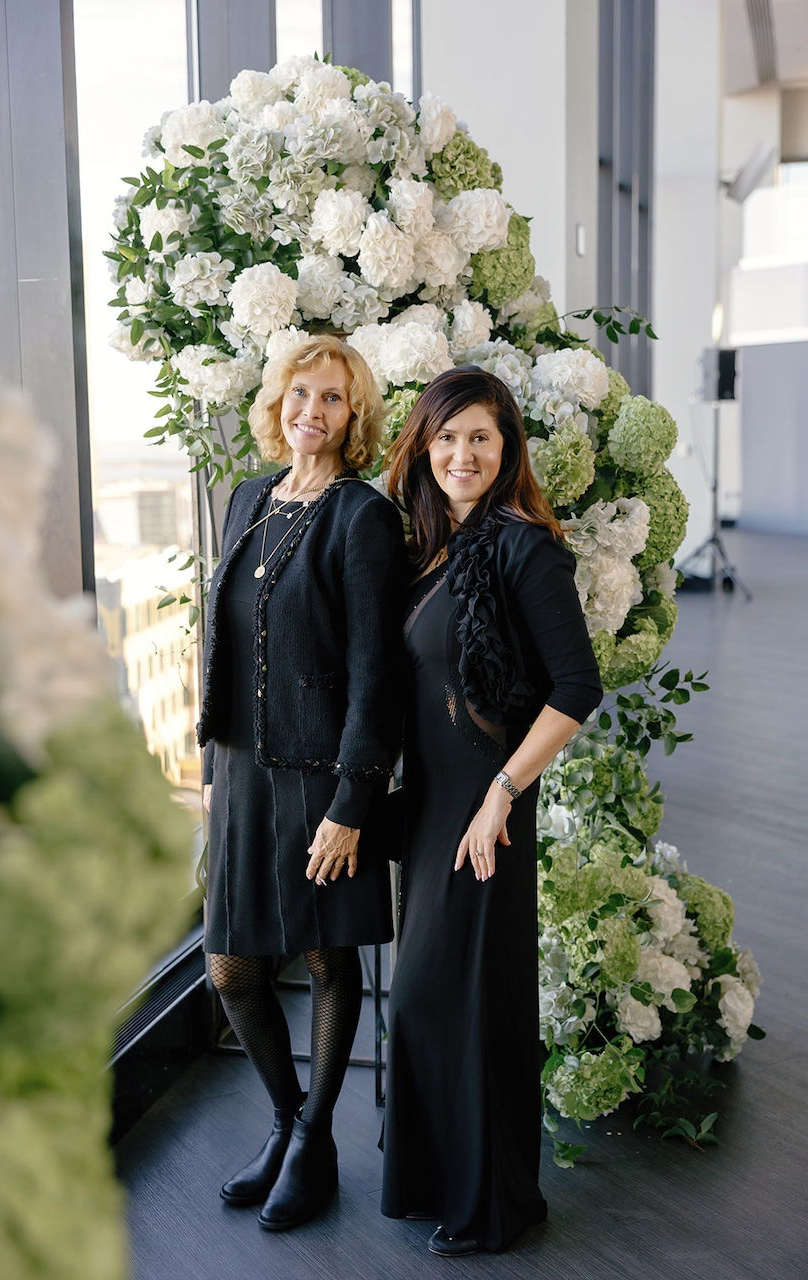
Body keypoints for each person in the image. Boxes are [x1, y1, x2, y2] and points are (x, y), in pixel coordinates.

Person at [380, 366, 603, 1257]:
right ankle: (449, 1186)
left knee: (459, 1001)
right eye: (445, 437)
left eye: (479, 436)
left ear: (507, 448)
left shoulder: (522, 545)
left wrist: (502, 794)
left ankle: (494, 1207)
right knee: (434, 1000)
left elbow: (577, 688)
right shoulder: (433, 546)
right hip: (435, 804)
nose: (460, 453)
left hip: (487, 813)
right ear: (424, 446)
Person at [198, 335, 405, 1232]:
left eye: (332, 398)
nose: (310, 411)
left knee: (326, 954)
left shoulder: (363, 516)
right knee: (230, 965)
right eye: (300, 393)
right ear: (278, 401)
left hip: (321, 776)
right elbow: (228, 640)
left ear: (353, 416)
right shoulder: (247, 497)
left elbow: (376, 674)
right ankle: (288, 1123)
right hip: (243, 766)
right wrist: (212, 768)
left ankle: (316, 1139)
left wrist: (353, 805)